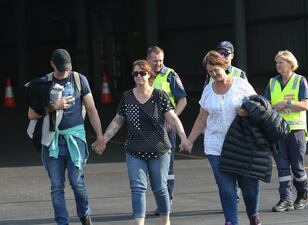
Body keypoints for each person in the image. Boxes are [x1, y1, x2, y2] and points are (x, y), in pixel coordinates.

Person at [93, 60, 189, 225]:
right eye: (135, 73)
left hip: (159, 150)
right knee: (137, 189)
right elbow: (117, 121)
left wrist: (184, 137)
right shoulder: (127, 97)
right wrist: (103, 140)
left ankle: (166, 221)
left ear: (149, 74)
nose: (139, 76)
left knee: (160, 188)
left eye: (142, 73)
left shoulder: (159, 95)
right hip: (134, 150)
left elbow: (172, 118)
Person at [180, 50, 261, 225]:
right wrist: (189, 139)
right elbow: (202, 118)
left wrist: (248, 111)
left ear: (224, 66)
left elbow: (259, 106)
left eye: (216, 70)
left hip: (243, 144)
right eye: (210, 72)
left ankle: (254, 216)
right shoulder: (208, 90)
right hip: (216, 145)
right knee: (226, 189)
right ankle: (231, 222)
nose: (214, 74)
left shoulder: (241, 84)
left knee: (249, 189)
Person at [27, 49, 105, 225]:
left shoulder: (79, 79)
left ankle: (85, 215)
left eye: (67, 68)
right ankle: (62, 222)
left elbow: (91, 110)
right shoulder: (42, 84)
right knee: (56, 187)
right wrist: (54, 106)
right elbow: (32, 114)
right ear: (52, 64)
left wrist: (100, 136)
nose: (64, 72)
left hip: (75, 138)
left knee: (77, 182)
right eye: (60, 68)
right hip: (52, 141)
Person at [263, 50, 308, 212]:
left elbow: (305, 105)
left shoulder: (300, 81)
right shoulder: (272, 82)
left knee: (297, 166)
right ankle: (286, 199)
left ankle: (302, 195)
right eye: (276, 62)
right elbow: (266, 104)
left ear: (290, 64)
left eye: (281, 62)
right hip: (277, 130)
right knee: (282, 166)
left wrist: (286, 104)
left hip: (296, 131)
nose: (277, 65)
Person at [146, 46, 187, 211]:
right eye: (155, 61)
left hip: (166, 128)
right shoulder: (143, 75)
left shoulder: (170, 75)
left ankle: (167, 200)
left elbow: (183, 100)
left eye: (161, 60)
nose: (158, 64)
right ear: (148, 60)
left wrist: (173, 117)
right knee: (151, 166)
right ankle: (160, 198)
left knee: (167, 166)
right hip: (148, 129)